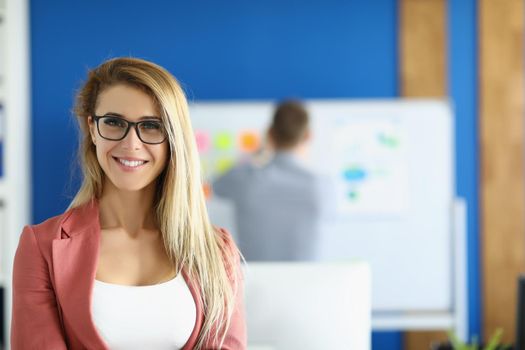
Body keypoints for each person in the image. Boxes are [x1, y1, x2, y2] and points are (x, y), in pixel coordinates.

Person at [11, 57, 246, 349]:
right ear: (93, 128)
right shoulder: (41, 246)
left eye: (150, 126)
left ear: (174, 138)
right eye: (113, 122)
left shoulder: (217, 250)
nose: (131, 144)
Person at [213, 100, 335, 261]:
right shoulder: (322, 187)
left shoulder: (244, 180)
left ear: (269, 133)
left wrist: (257, 153)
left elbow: (216, 185)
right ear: (308, 136)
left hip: (253, 283)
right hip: (308, 282)